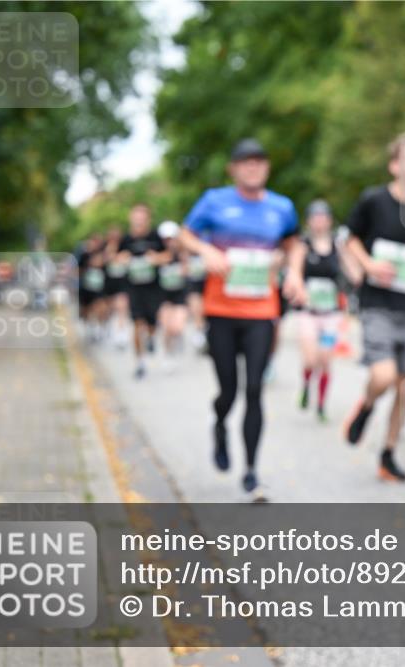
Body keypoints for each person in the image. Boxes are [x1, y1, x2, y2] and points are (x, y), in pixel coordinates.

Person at [179, 138, 305, 496]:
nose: (253, 168)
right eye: (245, 162)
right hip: (220, 311)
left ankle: (250, 469)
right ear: (233, 168)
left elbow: (293, 243)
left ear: (266, 168)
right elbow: (185, 235)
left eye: (259, 162)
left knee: (254, 389)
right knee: (228, 391)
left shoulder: (282, 207)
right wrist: (205, 249)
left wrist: (294, 272)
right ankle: (219, 423)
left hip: (261, 311)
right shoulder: (214, 201)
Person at [341, 131, 405, 482]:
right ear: (394, 165)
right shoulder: (374, 200)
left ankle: (387, 454)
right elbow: (350, 238)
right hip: (377, 304)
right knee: (384, 376)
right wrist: (369, 265)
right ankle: (367, 406)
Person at [292, 200, 361, 421]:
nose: (320, 221)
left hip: (331, 313)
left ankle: (321, 405)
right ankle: (305, 385)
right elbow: (294, 271)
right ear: (309, 221)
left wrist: (351, 258)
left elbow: (355, 275)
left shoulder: (337, 245)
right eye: (315, 217)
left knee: (326, 360)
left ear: (329, 220)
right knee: (311, 359)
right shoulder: (303, 245)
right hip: (308, 312)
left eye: (323, 217)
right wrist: (299, 288)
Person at [116, 204, 170, 379]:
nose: (138, 222)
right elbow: (115, 258)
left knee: (152, 324)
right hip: (134, 288)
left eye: (142, 219)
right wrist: (122, 259)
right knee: (137, 324)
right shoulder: (125, 239)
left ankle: (152, 337)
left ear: (147, 220)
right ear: (131, 219)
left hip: (153, 288)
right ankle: (140, 362)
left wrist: (156, 259)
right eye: (135, 219)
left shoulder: (155, 237)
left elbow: (168, 256)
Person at [156, 220, 189, 371]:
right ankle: (167, 354)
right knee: (167, 328)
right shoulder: (158, 253)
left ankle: (177, 342)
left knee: (177, 327)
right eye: (167, 239)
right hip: (164, 296)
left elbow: (188, 271)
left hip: (180, 295)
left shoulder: (183, 254)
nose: (170, 242)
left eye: (172, 238)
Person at [102, 227, 131, 350]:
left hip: (122, 284)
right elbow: (106, 259)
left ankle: (121, 333)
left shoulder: (126, 247)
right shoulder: (106, 247)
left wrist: (117, 257)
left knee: (122, 308)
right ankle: (108, 328)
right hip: (109, 284)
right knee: (109, 308)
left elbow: (125, 259)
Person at [77, 233, 108, 342]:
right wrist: (90, 265)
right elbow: (78, 270)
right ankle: (87, 327)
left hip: (99, 288)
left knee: (100, 307)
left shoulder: (104, 255)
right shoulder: (84, 255)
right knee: (86, 309)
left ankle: (98, 329)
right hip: (86, 287)